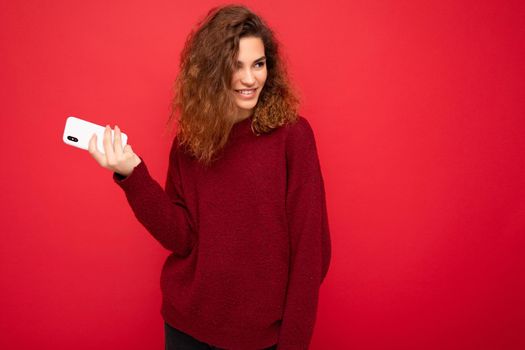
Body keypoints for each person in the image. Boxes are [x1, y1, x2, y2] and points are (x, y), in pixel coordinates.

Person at [88, 4, 331, 350]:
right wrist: (132, 173)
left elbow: (312, 252)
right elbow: (182, 236)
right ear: (212, 71)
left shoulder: (292, 136)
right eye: (236, 66)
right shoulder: (189, 143)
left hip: (258, 339)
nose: (250, 79)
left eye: (258, 64)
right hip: (186, 328)